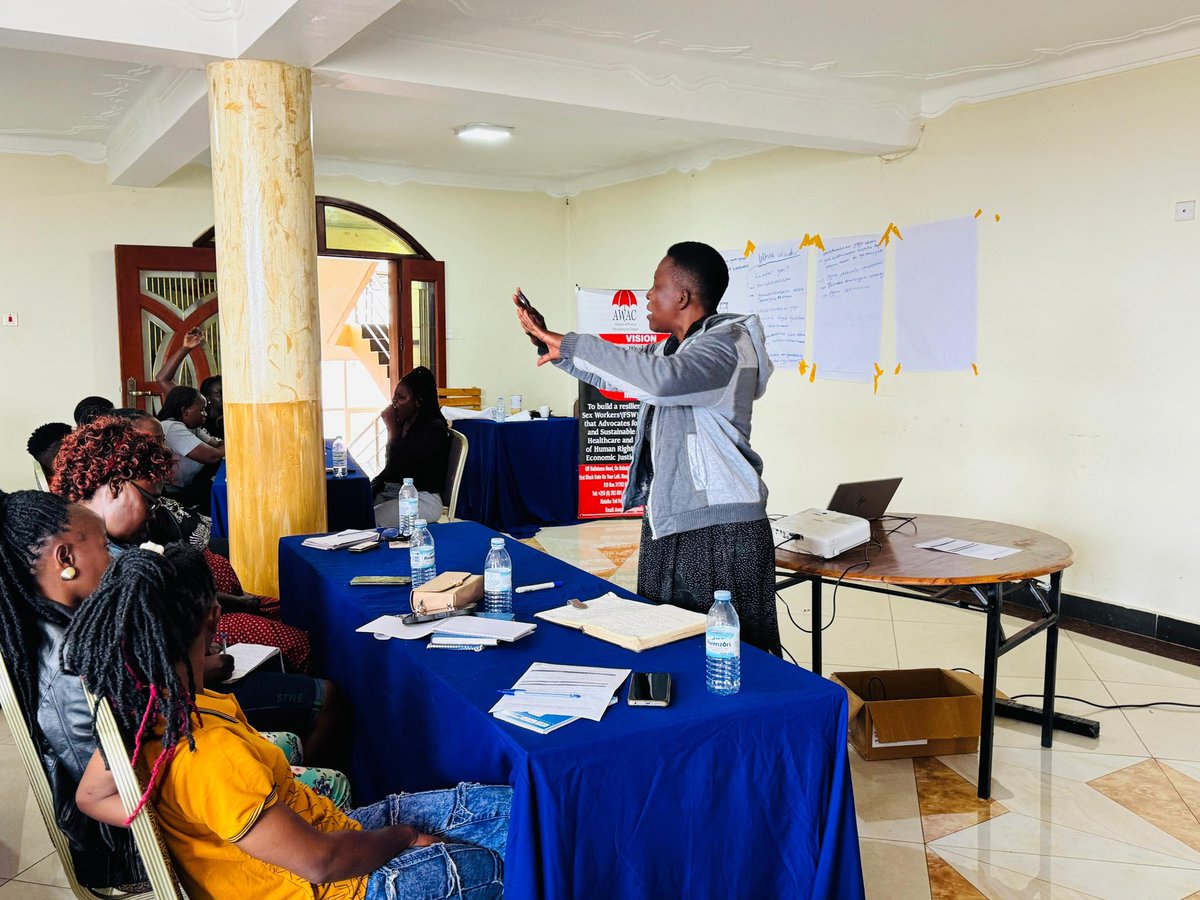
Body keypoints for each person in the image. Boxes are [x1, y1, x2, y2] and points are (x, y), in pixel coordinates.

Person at [69, 544, 511, 900]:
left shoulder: (144, 715)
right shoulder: (211, 755)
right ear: (214, 618)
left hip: (323, 838)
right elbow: (321, 864)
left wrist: (187, 828)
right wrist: (402, 838)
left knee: (512, 812)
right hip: (333, 883)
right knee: (511, 861)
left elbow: (89, 797)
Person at [514, 241, 781, 653]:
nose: (648, 296)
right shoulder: (677, 348)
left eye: (656, 286)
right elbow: (624, 372)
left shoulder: (725, 345)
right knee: (667, 643)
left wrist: (569, 342)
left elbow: (660, 380)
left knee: (725, 658)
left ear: (683, 297)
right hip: (674, 517)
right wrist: (553, 347)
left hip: (720, 530)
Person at [51, 418, 344, 761]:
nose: (154, 513)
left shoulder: (89, 544)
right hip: (173, 706)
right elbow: (135, 670)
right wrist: (203, 666)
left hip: (183, 678)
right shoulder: (99, 564)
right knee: (328, 697)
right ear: (116, 486)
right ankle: (296, 791)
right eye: (151, 499)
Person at [0, 489, 142, 888]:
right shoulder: (70, 667)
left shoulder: (61, 627)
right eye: (102, 546)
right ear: (66, 559)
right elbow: (118, 785)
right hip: (134, 845)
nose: (113, 558)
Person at [372, 366, 451, 526]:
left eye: (400, 398)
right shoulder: (406, 424)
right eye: (394, 397)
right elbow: (390, 471)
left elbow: (398, 469)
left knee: (372, 518)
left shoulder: (433, 430)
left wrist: (392, 430)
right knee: (355, 510)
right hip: (399, 492)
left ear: (418, 402)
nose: (394, 402)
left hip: (423, 499)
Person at [158, 385, 224, 511]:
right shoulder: (172, 428)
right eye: (202, 410)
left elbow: (216, 445)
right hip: (175, 495)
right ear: (185, 411)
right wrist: (240, 445)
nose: (205, 414)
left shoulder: (192, 426)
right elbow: (212, 456)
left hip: (191, 483)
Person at [154, 326, 224, 439]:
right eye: (218, 393)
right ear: (207, 397)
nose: (223, 397)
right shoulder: (193, 408)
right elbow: (162, 378)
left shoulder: (235, 413)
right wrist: (186, 348)